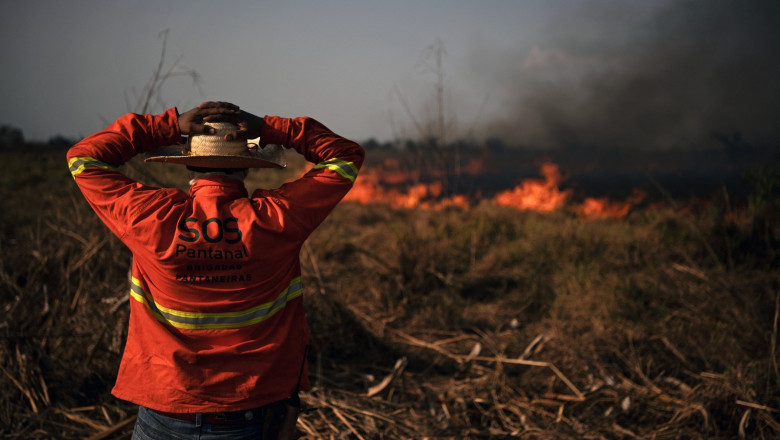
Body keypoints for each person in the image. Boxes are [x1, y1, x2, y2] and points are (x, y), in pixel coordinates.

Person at [67, 101, 364, 439]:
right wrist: (268, 127)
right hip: (250, 412)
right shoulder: (278, 218)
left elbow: (83, 158)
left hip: (165, 409)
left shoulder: (150, 217)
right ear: (246, 167)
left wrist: (167, 125)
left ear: (188, 164)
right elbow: (345, 155)